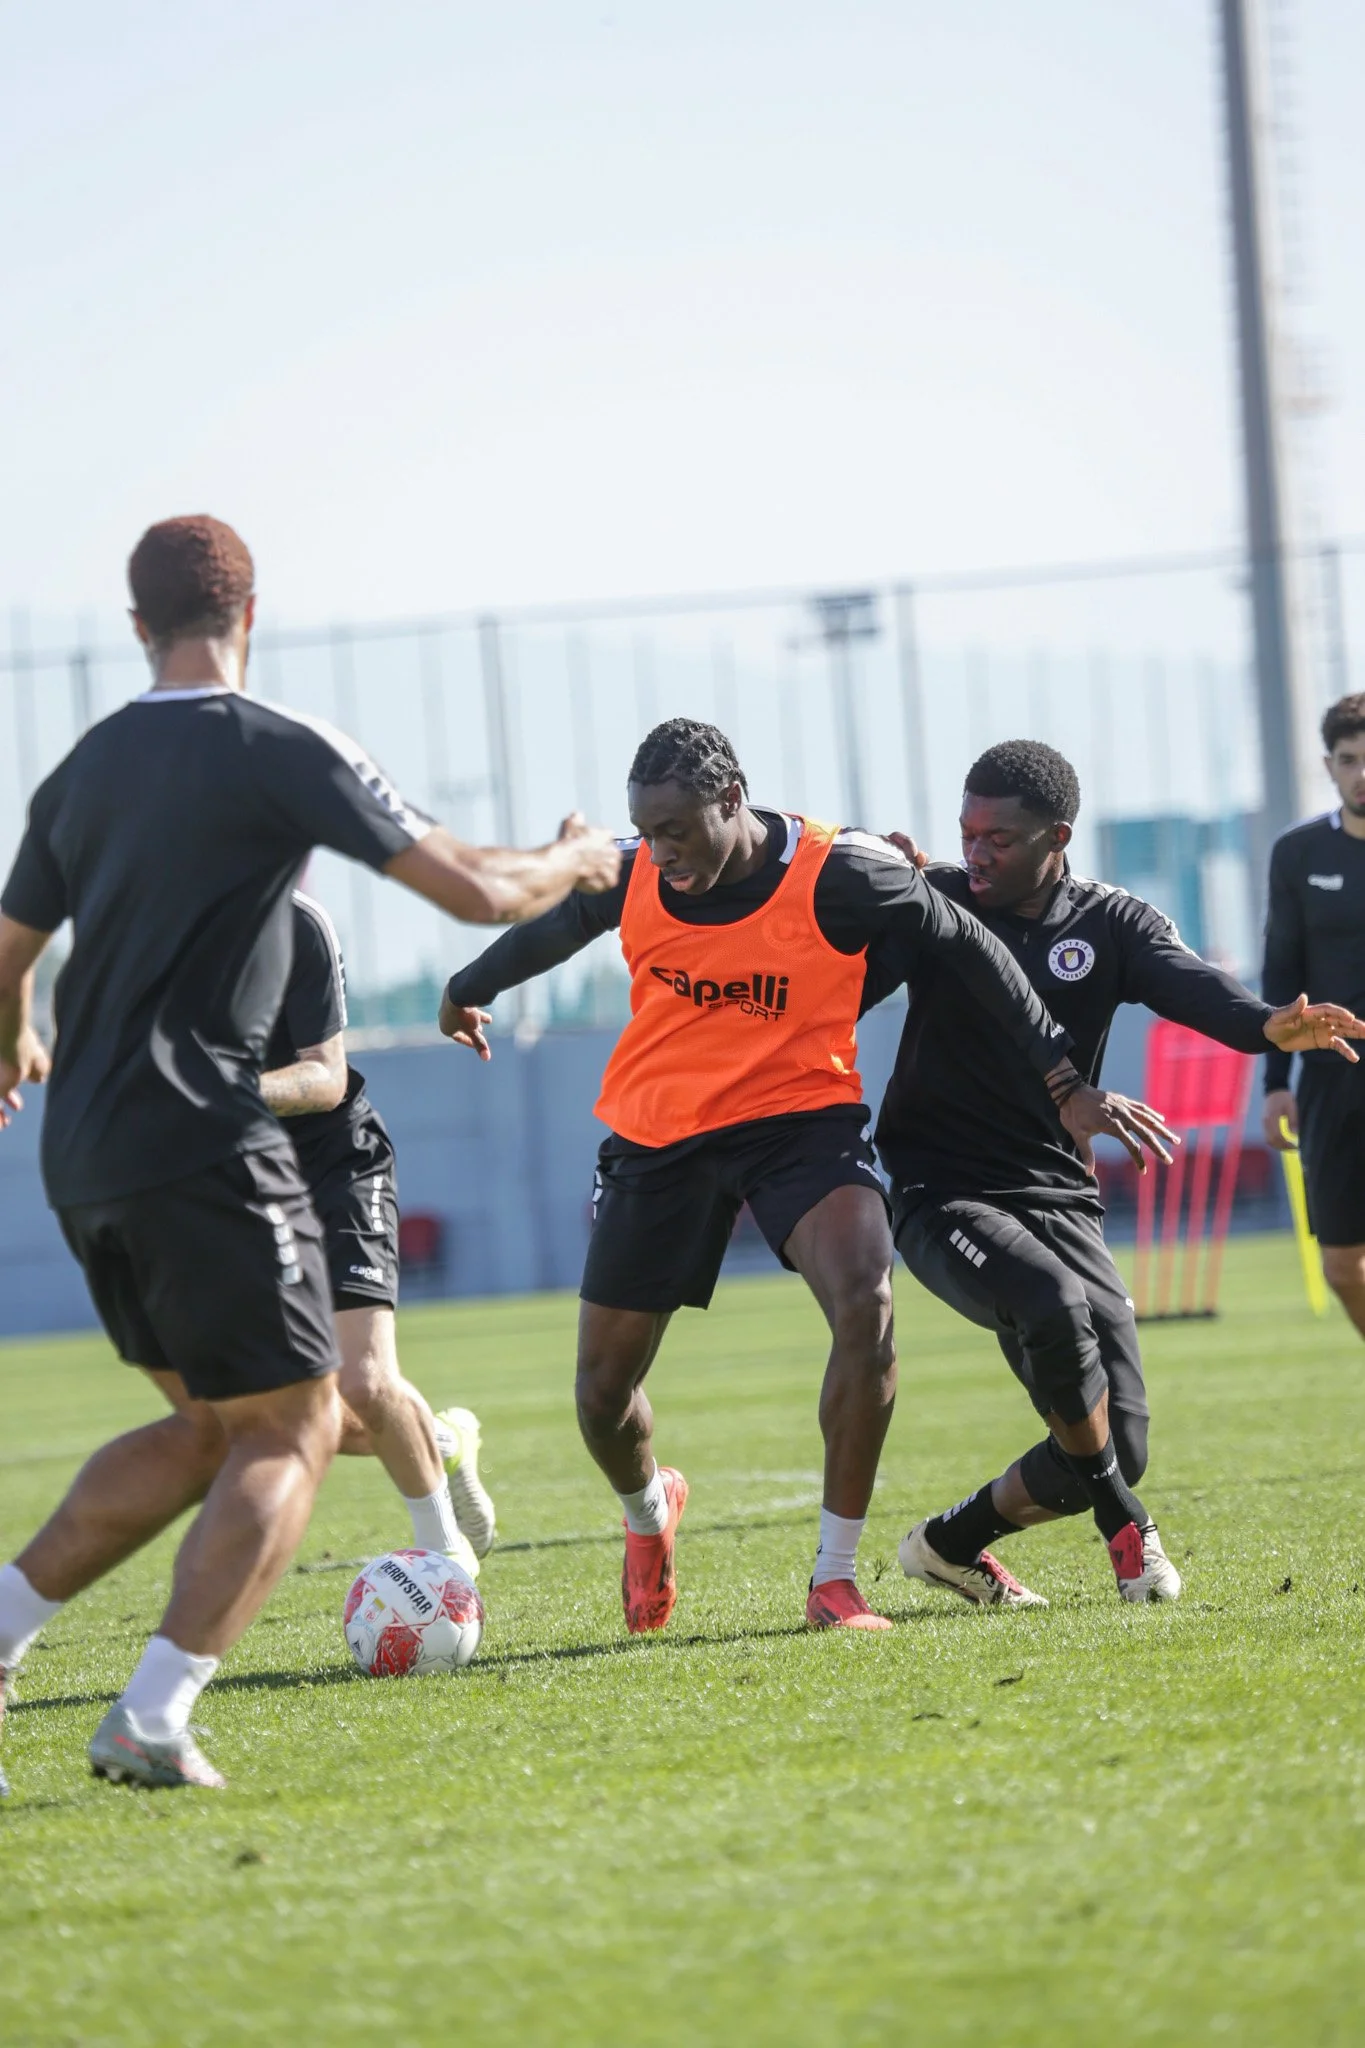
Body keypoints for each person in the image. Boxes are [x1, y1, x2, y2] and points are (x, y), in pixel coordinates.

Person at [0, 514, 618, 1794]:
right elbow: (473, 891)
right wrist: (574, 859)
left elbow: (5, 953)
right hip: (204, 1139)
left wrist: (16, 1042)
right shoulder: (275, 745)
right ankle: (153, 1711)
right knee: (297, 1422)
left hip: (86, 1149)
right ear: (252, 613)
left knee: (206, 1431)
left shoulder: (83, 766)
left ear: (135, 626)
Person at [437, 717, 1099, 1637]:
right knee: (599, 1395)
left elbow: (968, 945)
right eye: (647, 830)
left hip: (800, 1120)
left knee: (866, 1305)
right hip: (658, 1132)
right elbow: (557, 926)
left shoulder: (840, 872)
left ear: (730, 802)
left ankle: (834, 1583)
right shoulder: (637, 871)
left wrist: (1063, 1079)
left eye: (677, 830)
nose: (660, 851)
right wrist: (470, 984)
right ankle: (647, 1512)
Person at [869, 740, 1364, 1608]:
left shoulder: (1111, 923)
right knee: (1050, 1307)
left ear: (1056, 836)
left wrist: (1266, 1028)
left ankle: (948, 1545)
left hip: (1057, 1192)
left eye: (999, 839)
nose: (975, 852)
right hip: (937, 1189)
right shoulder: (936, 904)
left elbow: (1201, 993)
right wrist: (871, 885)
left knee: (1112, 1439)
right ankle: (1127, 1529)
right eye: (966, 832)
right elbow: (836, 966)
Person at [149, 890, 497, 1577]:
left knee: (364, 1381)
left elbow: (325, 1076)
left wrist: (230, 1089)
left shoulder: (292, 920)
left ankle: (443, 1558)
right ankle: (441, 1438)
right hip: (232, 1181)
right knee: (283, 1413)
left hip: (333, 1159)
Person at [1263, 693, 1365, 1339]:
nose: (1362, 773)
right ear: (1327, 766)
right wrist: (1273, 1082)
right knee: (1341, 1265)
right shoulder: (1297, 854)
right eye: (1349, 760)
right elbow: (1281, 973)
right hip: (1330, 1078)